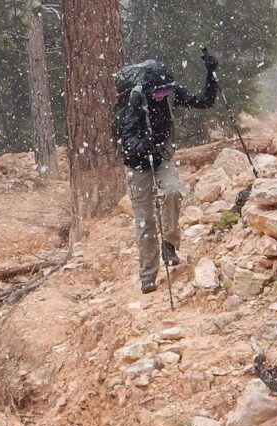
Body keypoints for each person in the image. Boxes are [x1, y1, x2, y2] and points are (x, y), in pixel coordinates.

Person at [114, 50, 219, 294]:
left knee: (172, 191)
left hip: (162, 156)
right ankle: (148, 275)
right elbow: (126, 139)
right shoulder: (134, 100)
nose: (163, 96)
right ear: (149, 90)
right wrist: (144, 146)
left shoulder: (171, 93)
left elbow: (204, 101)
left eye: (167, 91)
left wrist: (211, 74)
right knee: (146, 220)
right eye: (159, 92)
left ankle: (169, 245)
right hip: (136, 164)